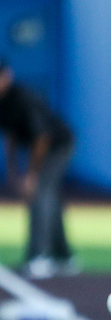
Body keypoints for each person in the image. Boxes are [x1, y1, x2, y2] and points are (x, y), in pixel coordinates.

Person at [0, 58, 76, 279]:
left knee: (40, 194)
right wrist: (13, 172)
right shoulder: (2, 104)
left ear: (7, 76)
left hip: (58, 145)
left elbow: (42, 138)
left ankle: (39, 256)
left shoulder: (24, 98)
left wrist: (31, 175)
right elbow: (11, 137)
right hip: (40, 147)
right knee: (51, 198)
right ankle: (63, 256)